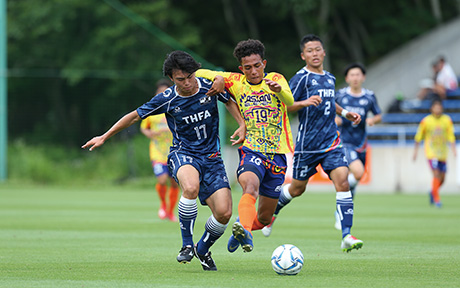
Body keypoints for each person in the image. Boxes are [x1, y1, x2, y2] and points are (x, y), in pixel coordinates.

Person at [81, 51, 246, 271]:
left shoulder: (210, 86)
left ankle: (203, 248)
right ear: (171, 78)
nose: (187, 83)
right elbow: (134, 116)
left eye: (189, 77)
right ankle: (187, 245)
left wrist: (241, 124)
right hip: (183, 153)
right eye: (180, 79)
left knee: (224, 213)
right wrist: (104, 136)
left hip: (212, 158)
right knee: (190, 187)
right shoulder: (167, 99)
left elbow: (229, 100)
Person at [261, 34, 364, 253]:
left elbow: (330, 102)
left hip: (331, 142)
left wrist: (346, 113)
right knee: (297, 189)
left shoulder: (329, 77)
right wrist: (305, 102)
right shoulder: (301, 78)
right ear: (303, 55)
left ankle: (346, 234)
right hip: (307, 146)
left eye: (318, 49)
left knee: (343, 182)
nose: (314, 54)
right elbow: (284, 106)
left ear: (323, 52)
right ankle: (272, 214)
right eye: (310, 51)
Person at [196, 39, 295, 253]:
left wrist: (279, 90)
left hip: (277, 155)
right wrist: (220, 77)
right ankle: (246, 232)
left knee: (265, 217)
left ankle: (243, 229)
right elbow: (199, 73)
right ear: (241, 68)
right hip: (252, 149)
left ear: (264, 63)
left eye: (257, 65)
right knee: (250, 187)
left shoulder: (276, 79)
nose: (253, 71)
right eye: (247, 67)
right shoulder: (236, 81)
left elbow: (289, 101)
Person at [334, 63, 382, 229]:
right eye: (352, 75)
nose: (355, 78)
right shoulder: (340, 96)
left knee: (355, 179)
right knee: (359, 172)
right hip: (345, 142)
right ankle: (341, 206)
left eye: (358, 75)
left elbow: (378, 115)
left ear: (363, 77)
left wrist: (372, 120)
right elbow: (329, 111)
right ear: (347, 78)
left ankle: (342, 205)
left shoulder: (369, 96)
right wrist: (336, 119)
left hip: (361, 143)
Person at [140, 79, 179, 222]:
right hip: (157, 151)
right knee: (162, 179)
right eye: (159, 91)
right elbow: (144, 127)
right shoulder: (153, 110)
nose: (162, 94)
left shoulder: (175, 108)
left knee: (174, 182)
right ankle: (163, 205)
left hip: (174, 151)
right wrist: (148, 133)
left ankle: (170, 211)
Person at [413, 99, 456, 208]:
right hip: (431, 153)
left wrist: (454, 149)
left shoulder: (447, 120)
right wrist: (415, 152)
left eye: (439, 107)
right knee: (436, 174)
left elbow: (451, 135)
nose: (438, 109)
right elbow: (418, 137)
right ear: (432, 108)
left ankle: (433, 191)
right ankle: (437, 199)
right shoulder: (426, 121)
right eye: (436, 107)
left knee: (442, 178)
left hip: (443, 153)